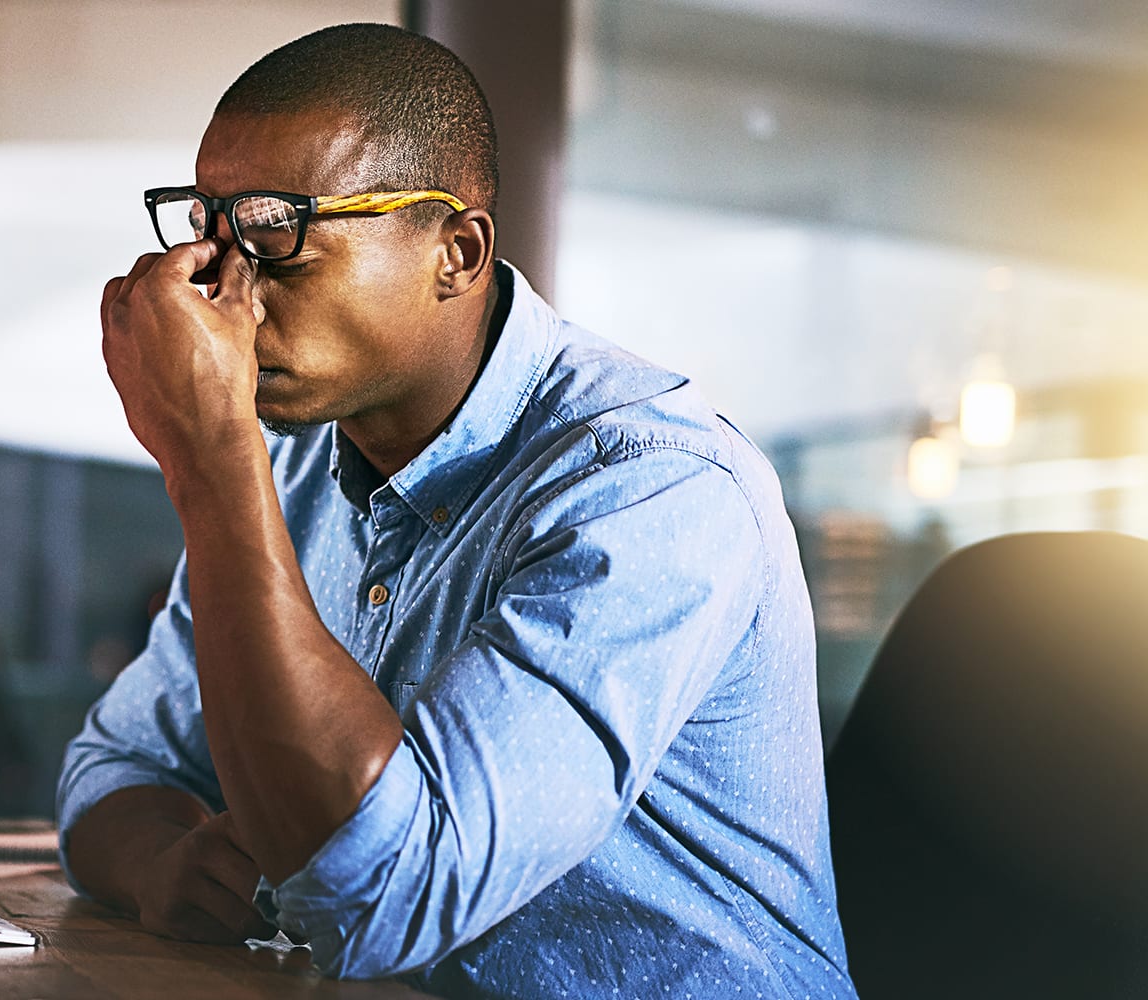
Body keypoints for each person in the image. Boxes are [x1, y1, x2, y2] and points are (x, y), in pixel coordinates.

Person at [56, 22, 857, 998]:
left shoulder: (653, 488)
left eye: (277, 243)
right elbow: (115, 762)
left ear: (456, 250)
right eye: (210, 238)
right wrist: (161, 864)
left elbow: (382, 896)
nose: (225, 299)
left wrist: (208, 460)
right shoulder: (301, 460)